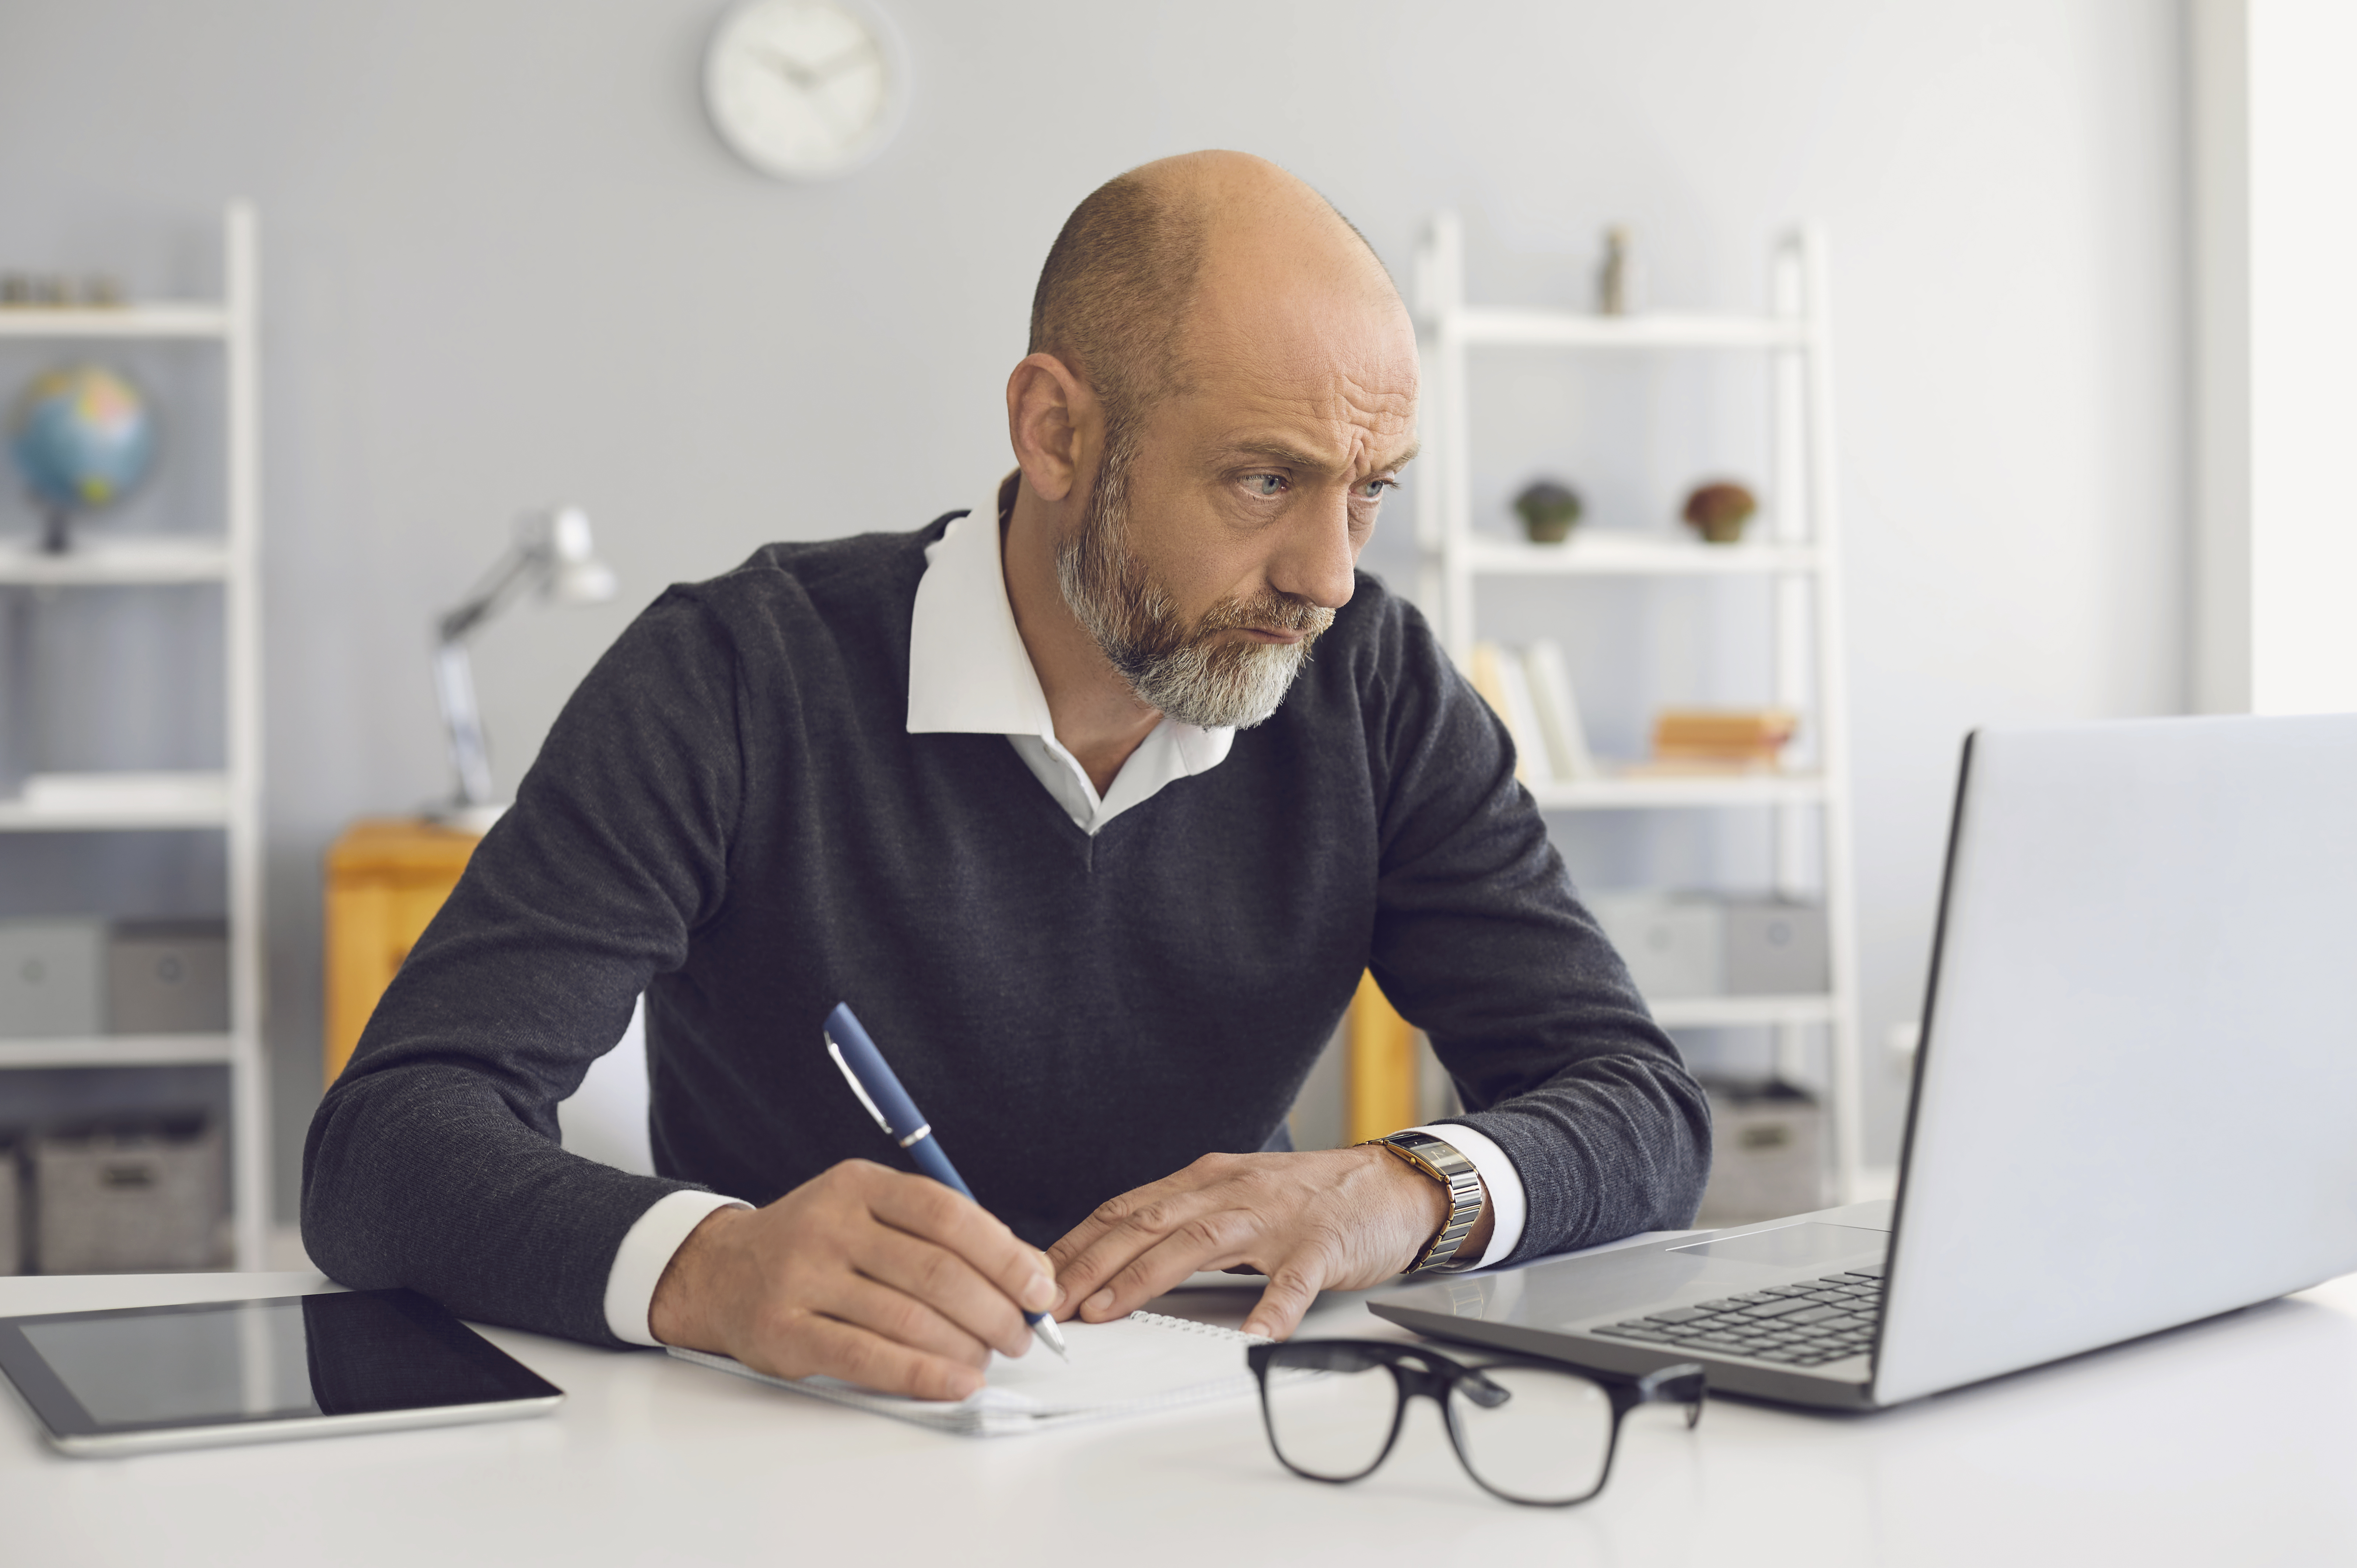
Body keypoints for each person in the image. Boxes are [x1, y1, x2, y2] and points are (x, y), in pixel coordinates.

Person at [302, 151, 1710, 1402]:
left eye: (1372, 489)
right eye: (1265, 483)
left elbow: (1639, 1101)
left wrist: (1408, 1185)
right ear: (1054, 433)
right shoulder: (736, 674)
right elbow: (384, 1147)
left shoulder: (1372, 683)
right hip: (793, 1467)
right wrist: (711, 1266)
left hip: (1216, 1453)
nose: (1330, 575)